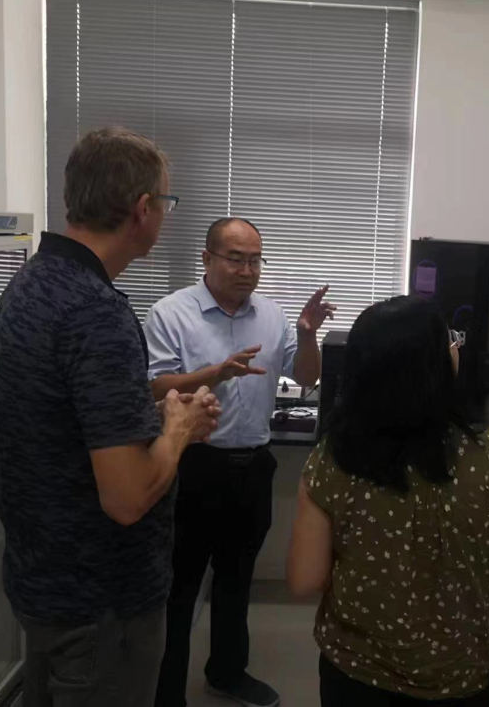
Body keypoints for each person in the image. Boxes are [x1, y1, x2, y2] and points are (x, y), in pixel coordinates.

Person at [0, 127, 221, 707]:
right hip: (101, 607)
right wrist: (179, 430)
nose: (164, 215)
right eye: (165, 202)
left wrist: (149, 411)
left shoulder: (31, 284)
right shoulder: (96, 312)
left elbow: (61, 420)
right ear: (142, 209)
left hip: (43, 584)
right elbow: (126, 497)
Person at [286, 295, 489, 707]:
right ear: (433, 366)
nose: (456, 346)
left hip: (357, 674)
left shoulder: (334, 457)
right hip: (459, 676)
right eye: (448, 340)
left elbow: (304, 579)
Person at [146, 217, 336, 707]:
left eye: (255, 260)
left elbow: (307, 377)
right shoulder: (171, 313)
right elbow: (155, 386)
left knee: (236, 579)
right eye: (235, 259)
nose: (247, 270)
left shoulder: (271, 315)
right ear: (207, 258)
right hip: (190, 465)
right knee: (180, 585)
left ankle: (228, 673)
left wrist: (307, 335)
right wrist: (216, 373)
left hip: (252, 465)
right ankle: (166, 692)